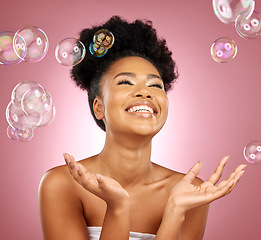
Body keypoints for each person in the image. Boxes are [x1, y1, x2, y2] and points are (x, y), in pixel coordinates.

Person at [38, 16, 246, 240]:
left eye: (155, 85)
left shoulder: (189, 192)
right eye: (125, 82)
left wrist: (175, 210)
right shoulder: (62, 184)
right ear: (98, 108)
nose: (145, 93)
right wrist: (117, 207)